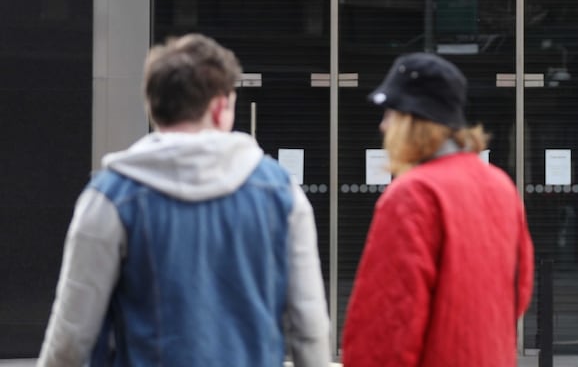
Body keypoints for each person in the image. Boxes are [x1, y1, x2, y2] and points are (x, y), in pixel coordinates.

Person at [37, 34, 330, 367]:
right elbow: (309, 328)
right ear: (221, 108)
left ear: (153, 106)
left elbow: (71, 337)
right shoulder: (282, 193)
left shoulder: (109, 198)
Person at [342, 52, 534, 367]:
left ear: (412, 120)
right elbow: (520, 290)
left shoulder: (413, 193)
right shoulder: (500, 185)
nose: (382, 125)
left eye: (390, 113)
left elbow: (387, 323)